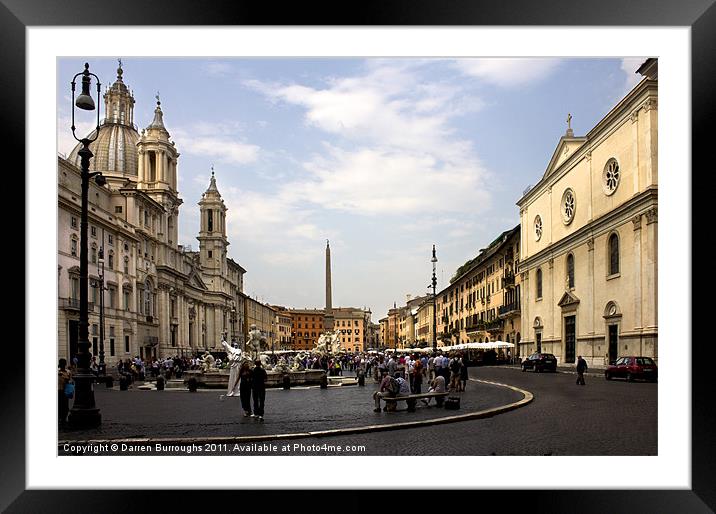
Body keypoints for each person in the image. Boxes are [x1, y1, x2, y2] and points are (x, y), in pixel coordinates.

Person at [58, 358, 72, 427]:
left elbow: (70, 381)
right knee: (59, 405)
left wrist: (65, 377)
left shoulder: (68, 372)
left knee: (65, 406)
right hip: (58, 391)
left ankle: (64, 418)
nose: (62, 365)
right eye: (61, 364)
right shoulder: (57, 372)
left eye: (63, 364)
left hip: (65, 391)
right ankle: (60, 419)